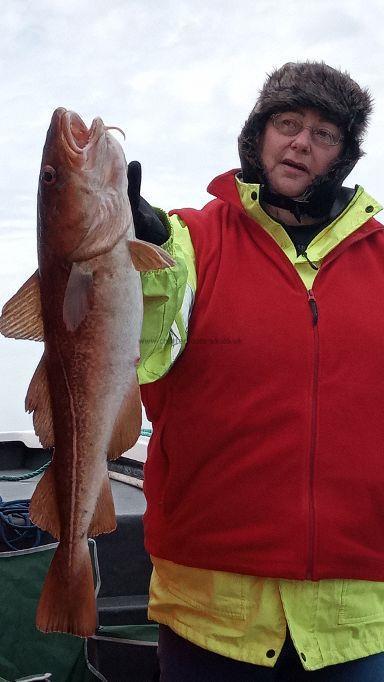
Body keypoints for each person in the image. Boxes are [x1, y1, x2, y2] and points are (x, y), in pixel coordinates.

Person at [130, 61, 384, 680]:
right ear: (257, 136)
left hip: (358, 618)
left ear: (343, 157)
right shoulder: (188, 239)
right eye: (286, 123)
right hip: (208, 611)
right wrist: (135, 250)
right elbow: (148, 345)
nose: (300, 141)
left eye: (324, 134)